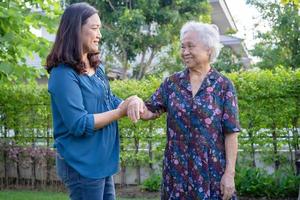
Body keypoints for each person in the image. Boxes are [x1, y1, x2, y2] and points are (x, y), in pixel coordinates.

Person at [128, 21, 240, 200]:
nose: (185, 52)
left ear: (208, 49)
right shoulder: (172, 84)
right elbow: (149, 111)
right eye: (182, 47)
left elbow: (231, 133)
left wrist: (229, 174)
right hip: (177, 172)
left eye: (190, 46)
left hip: (211, 172)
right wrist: (134, 100)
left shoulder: (223, 85)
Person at [46, 3, 143, 200]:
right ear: (76, 29)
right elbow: (78, 123)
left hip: (100, 161)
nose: (99, 35)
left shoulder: (95, 67)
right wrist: (120, 111)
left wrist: (132, 102)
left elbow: (109, 99)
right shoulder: (63, 74)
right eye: (94, 28)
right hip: (81, 163)